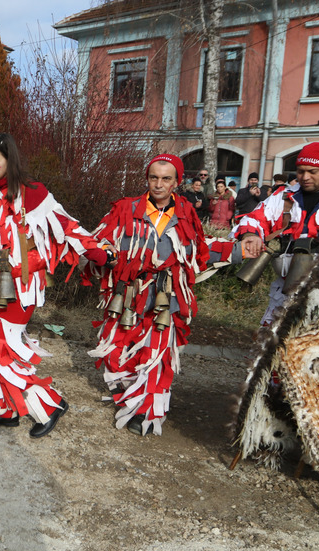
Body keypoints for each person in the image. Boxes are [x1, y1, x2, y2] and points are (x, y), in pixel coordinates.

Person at [0, 133, 107, 438]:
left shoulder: (33, 193)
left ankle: (48, 404)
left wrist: (96, 253)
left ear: (10, 160)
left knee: (1, 345)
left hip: (21, 284)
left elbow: (66, 225)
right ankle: (6, 409)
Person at [85, 153, 236, 436]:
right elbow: (101, 241)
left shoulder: (186, 214)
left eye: (166, 179)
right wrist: (103, 256)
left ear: (177, 182)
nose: (158, 184)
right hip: (128, 295)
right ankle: (130, 395)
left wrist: (237, 251)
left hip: (167, 297)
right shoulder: (126, 208)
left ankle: (146, 411)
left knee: (157, 353)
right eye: (153, 177)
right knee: (119, 351)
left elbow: (199, 250)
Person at [233, 142, 319, 325]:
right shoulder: (285, 196)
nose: (305, 177)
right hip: (285, 289)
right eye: (300, 171)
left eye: (312, 171)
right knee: (270, 346)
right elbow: (255, 218)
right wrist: (250, 235)